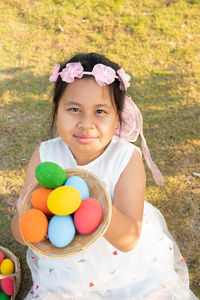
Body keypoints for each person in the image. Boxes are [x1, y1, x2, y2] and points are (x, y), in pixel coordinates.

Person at [11, 52, 198, 300]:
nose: (86, 123)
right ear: (57, 110)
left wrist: (92, 208)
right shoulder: (46, 157)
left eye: (100, 111)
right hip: (67, 269)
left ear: (117, 116)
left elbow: (128, 240)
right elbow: (22, 234)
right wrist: (26, 211)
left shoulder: (125, 159)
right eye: (74, 109)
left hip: (126, 265)